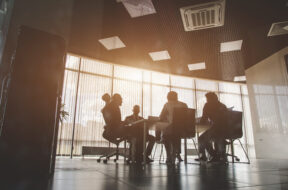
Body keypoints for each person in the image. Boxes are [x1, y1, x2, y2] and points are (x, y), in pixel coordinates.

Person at [158, 91, 188, 164]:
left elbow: (161, 117)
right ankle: (175, 154)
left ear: (168, 97)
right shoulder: (184, 104)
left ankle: (169, 156)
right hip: (182, 130)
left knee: (165, 135)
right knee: (176, 136)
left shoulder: (167, 104)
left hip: (171, 129)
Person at [198, 92, 228, 162]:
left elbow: (204, 118)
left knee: (201, 139)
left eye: (207, 99)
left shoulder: (208, 105)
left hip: (217, 129)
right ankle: (220, 155)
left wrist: (199, 123)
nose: (207, 100)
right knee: (217, 137)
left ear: (210, 99)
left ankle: (212, 155)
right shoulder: (223, 105)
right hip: (227, 130)